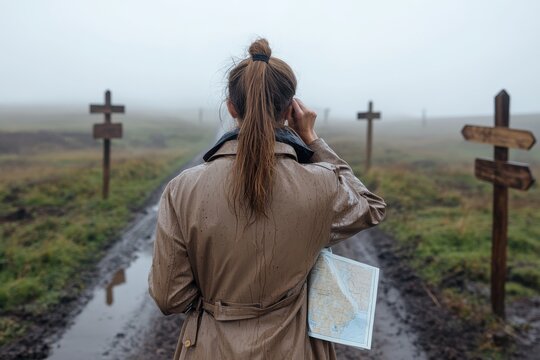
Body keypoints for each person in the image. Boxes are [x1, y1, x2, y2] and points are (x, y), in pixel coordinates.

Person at [148, 38, 386, 360]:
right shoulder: (322, 183)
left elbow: (169, 297)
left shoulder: (182, 189)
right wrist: (313, 141)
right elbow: (369, 206)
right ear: (291, 111)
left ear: (231, 107)